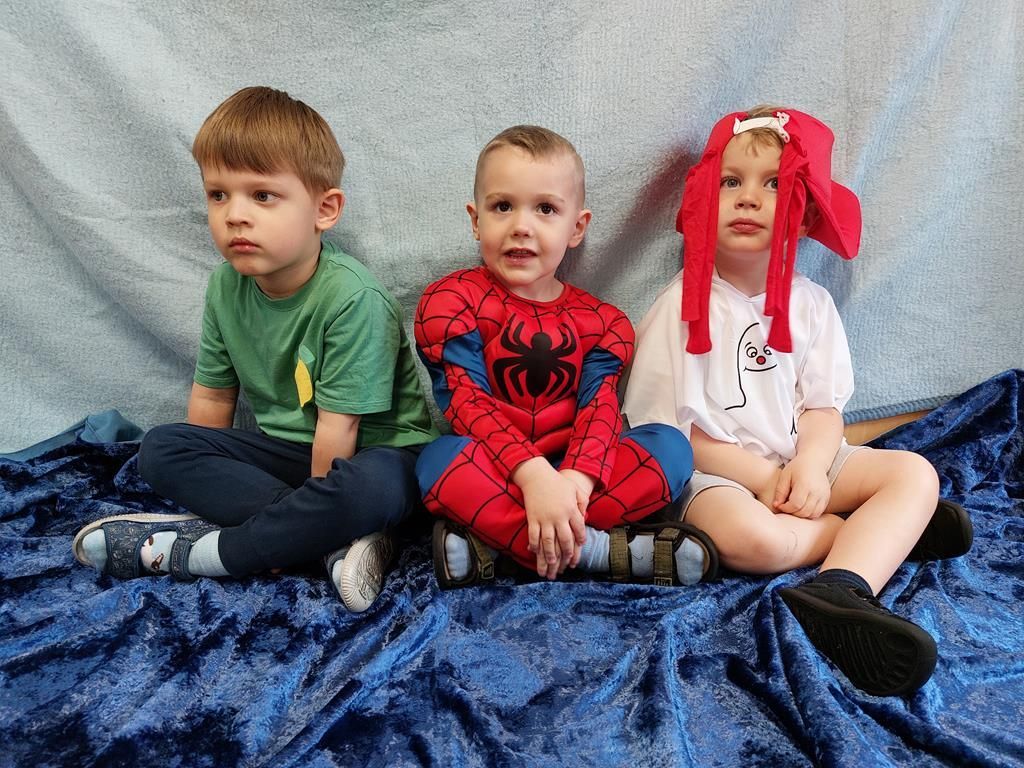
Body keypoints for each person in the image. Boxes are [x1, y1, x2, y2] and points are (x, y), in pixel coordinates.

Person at [623, 106, 973, 696]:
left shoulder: (811, 305)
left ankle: (841, 586)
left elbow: (823, 409)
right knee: (753, 542)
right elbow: (667, 434)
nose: (748, 198)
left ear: (805, 211)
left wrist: (810, 466)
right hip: (717, 474)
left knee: (915, 473)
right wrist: (763, 480)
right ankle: (864, 533)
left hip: (800, 460)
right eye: (731, 182)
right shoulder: (678, 307)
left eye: (773, 185)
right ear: (706, 200)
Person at [72, 86, 439, 612]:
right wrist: (210, 474)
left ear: (325, 209)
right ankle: (326, 543)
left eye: (262, 196)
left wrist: (314, 504)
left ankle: (214, 552)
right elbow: (212, 399)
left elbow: (339, 430)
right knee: (162, 448)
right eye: (219, 195)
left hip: (374, 453)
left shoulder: (352, 297)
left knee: (375, 490)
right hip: (287, 458)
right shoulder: (226, 287)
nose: (235, 215)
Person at [414, 125, 719, 589]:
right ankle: (600, 551)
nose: (521, 226)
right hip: (495, 468)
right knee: (437, 462)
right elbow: (466, 402)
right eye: (502, 206)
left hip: (578, 474)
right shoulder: (450, 300)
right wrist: (534, 478)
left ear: (577, 227)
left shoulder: (604, 322)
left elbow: (599, 408)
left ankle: (500, 546)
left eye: (546, 209)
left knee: (671, 447)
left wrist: (574, 481)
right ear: (476, 221)